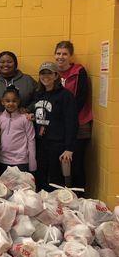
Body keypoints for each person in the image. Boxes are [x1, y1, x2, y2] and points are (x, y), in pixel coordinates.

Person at [55, 40, 92, 194]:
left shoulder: (79, 72)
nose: (61, 57)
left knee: (75, 163)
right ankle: (62, 196)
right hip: (59, 124)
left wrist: (67, 115)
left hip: (79, 122)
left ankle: (80, 197)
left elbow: (81, 97)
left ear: (70, 56)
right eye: (58, 53)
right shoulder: (52, 73)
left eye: (65, 54)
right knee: (59, 162)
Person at [34, 62, 78, 191]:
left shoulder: (65, 96)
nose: (45, 76)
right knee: (41, 175)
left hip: (57, 144)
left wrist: (69, 148)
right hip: (40, 143)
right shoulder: (38, 94)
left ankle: (57, 207)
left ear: (55, 75)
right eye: (43, 73)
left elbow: (72, 122)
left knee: (56, 178)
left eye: (49, 73)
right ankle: (42, 206)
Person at [0, 86, 36, 175]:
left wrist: (32, 164)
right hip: (3, 160)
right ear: (2, 102)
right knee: (5, 188)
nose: (11, 104)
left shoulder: (25, 119)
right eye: (7, 101)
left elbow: (31, 140)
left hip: (21, 161)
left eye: (14, 101)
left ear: (18, 102)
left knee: (21, 188)